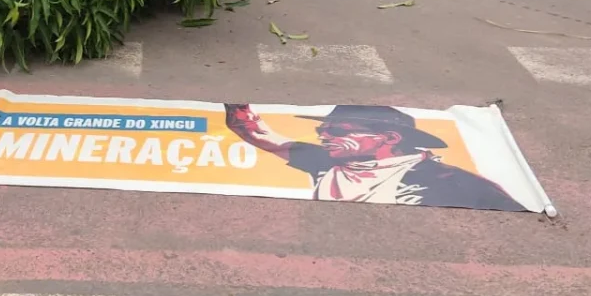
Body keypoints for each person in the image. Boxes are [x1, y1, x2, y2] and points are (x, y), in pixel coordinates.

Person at [224, 103, 524, 210]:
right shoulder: (327, 161)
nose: (324, 135)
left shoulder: (452, 181)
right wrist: (235, 105)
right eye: (324, 129)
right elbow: (259, 135)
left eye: (339, 130)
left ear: (390, 138)